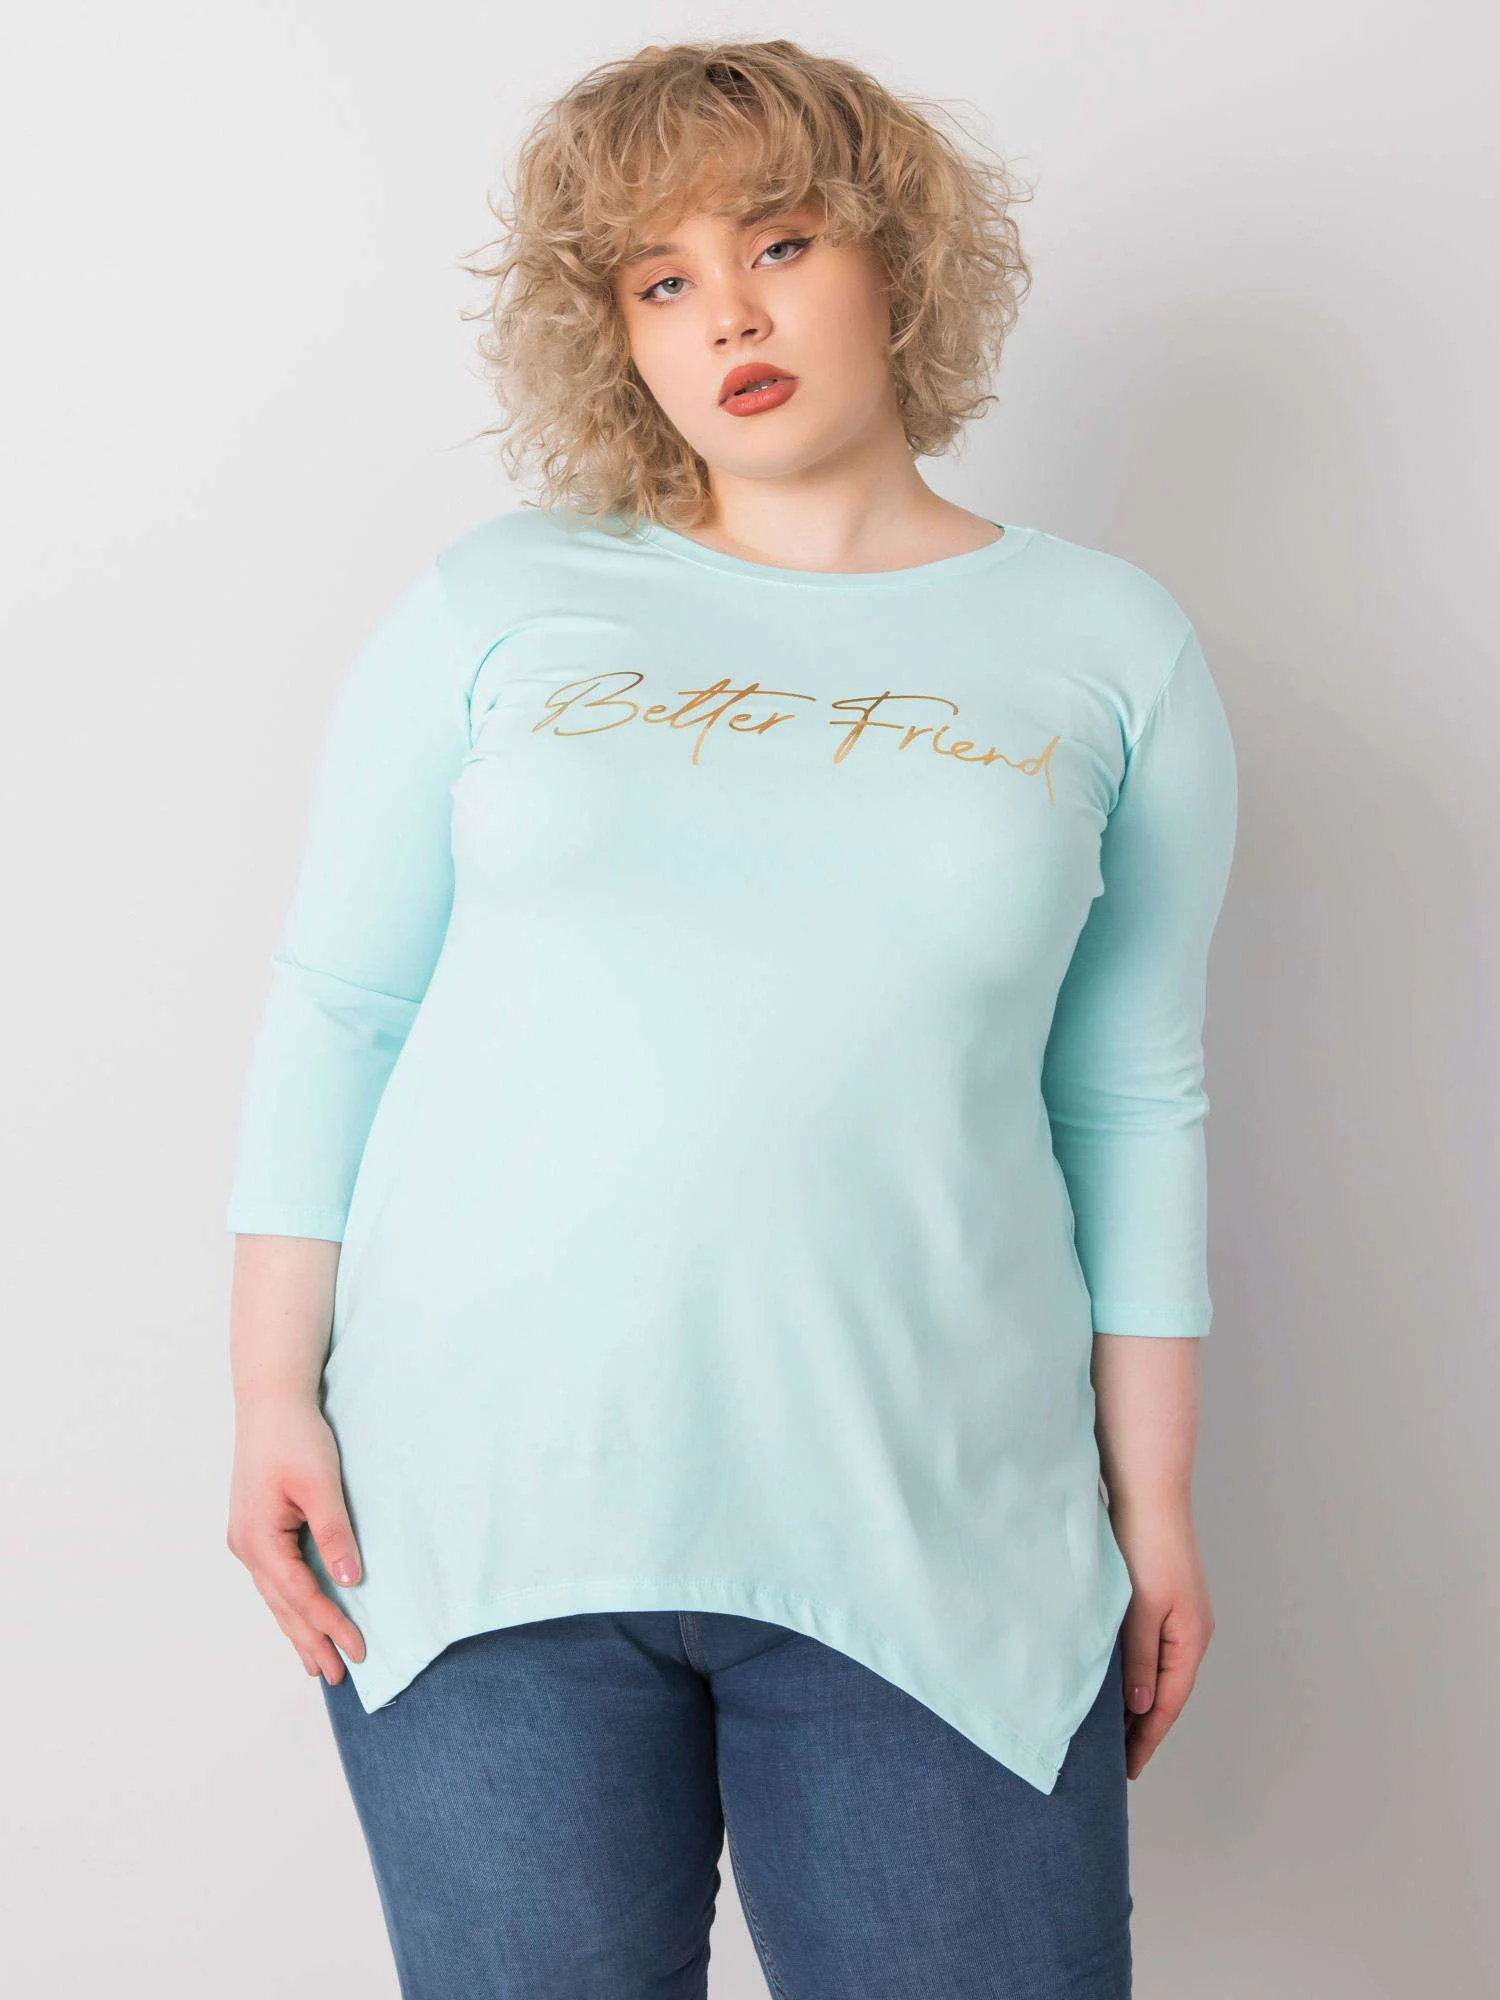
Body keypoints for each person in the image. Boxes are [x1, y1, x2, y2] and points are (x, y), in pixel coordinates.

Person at [224, 37, 1238, 2000]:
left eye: (778, 244)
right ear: (608, 332)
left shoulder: (1109, 645)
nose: (729, 317)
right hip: (481, 1508)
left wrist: (1160, 1499)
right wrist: (271, 1390)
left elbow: (1131, 1094)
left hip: (937, 1513)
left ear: (897, 262)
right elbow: (343, 1006)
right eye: (660, 279)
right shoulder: (497, 604)